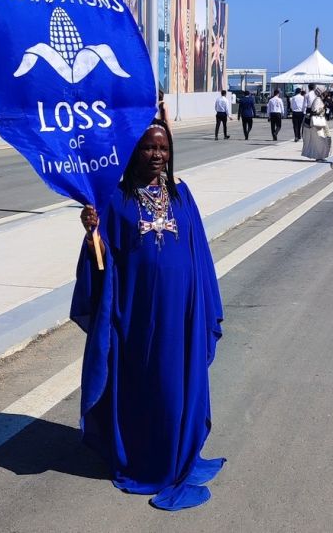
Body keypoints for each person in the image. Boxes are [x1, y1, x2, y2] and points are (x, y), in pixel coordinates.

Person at [73, 120, 225, 510]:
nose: (157, 155)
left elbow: (199, 252)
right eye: (148, 148)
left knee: (177, 384)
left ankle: (177, 456)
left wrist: (203, 302)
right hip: (138, 315)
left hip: (182, 314)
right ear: (133, 151)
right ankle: (145, 460)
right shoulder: (114, 199)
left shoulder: (181, 194)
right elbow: (104, 264)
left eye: (163, 148)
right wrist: (92, 234)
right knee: (146, 384)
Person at [301, 85, 332, 161]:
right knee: (320, 139)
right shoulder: (318, 100)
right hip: (318, 123)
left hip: (319, 122)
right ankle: (318, 156)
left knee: (321, 139)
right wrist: (322, 110)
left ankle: (320, 156)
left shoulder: (319, 99)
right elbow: (315, 111)